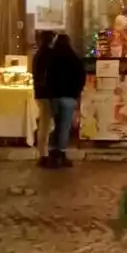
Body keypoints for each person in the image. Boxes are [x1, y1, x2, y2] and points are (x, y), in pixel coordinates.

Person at [44, 34, 87, 168]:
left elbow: (48, 78)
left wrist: (50, 93)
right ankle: (61, 154)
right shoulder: (73, 58)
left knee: (54, 126)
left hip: (55, 98)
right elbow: (81, 76)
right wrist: (76, 92)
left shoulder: (52, 58)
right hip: (69, 97)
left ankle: (52, 155)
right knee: (64, 127)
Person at [32, 30, 56, 166]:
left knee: (46, 123)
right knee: (46, 124)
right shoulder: (49, 54)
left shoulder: (39, 54)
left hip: (41, 93)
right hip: (47, 93)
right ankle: (44, 154)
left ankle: (44, 151)